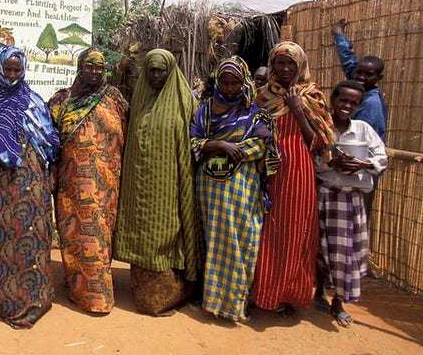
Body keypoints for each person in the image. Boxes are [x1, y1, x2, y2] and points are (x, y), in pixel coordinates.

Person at [0, 44, 60, 329]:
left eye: (17, 70)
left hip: (31, 185)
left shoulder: (34, 101)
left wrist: (52, 172)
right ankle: (1, 298)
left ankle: (35, 299)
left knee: (33, 239)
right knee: (0, 236)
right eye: (8, 69)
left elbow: (51, 141)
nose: (12, 74)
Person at [113, 48, 203, 316]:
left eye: (160, 70)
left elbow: (195, 141)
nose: (155, 76)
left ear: (171, 71)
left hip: (171, 183)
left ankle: (167, 295)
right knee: (142, 231)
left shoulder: (185, 101)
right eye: (151, 70)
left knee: (165, 232)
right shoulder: (139, 98)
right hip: (138, 183)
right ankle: (143, 292)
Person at [190, 56, 280, 323]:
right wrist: (218, 146)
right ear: (217, 82)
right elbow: (194, 141)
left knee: (244, 240)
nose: (229, 88)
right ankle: (215, 301)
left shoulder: (255, 113)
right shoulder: (205, 111)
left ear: (244, 82)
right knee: (215, 242)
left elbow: (264, 146)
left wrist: (237, 150)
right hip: (210, 189)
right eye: (225, 82)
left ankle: (238, 301)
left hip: (243, 188)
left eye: (235, 82)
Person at [250, 41, 335, 316]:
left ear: (300, 65)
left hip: (298, 172)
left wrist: (297, 108)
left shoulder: (311, 95)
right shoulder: (262, 96)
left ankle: (289, 294)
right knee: (265, 231)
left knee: (295, 231)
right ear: (272, 64)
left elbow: (319, 141)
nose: (285, 69)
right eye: (280, 63)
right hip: (266, 171)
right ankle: (262, 291)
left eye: (291, 63)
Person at [48, 47, 129, 313]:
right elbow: (50, 140)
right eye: (89, 67)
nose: (94, 72)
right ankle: (76, 288)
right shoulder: (62, 100)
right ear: (80, 67)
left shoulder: (115, 98)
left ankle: (98, 295)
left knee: (99, 235)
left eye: (99, 67)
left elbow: (128, 136)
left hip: (105, 183)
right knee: (74, 237)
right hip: (70, 181)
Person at [313, 80, 387, 327]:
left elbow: (381, 156)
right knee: (321, 248)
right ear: (332, 101)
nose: (347, 106)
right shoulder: (323, 128)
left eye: (353, 102)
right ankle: (319, 292)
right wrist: (329, 163)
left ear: (358, 105)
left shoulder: (364, 129)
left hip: (350, 197)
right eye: (343, 100)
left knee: (346, 252)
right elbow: (312, 158)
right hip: (325, 194)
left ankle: (339, 302)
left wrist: (362, 164)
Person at [332, 19, 388, 223]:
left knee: (355, 220)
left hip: (358, 172)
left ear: (378, 78)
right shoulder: (356, 87)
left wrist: (357, 164)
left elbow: (363, 143)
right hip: (340, 172)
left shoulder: (370, 105)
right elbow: (348, 61)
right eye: (359, 72)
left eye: (368, 74)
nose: (361, 77)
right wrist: (339, 35)